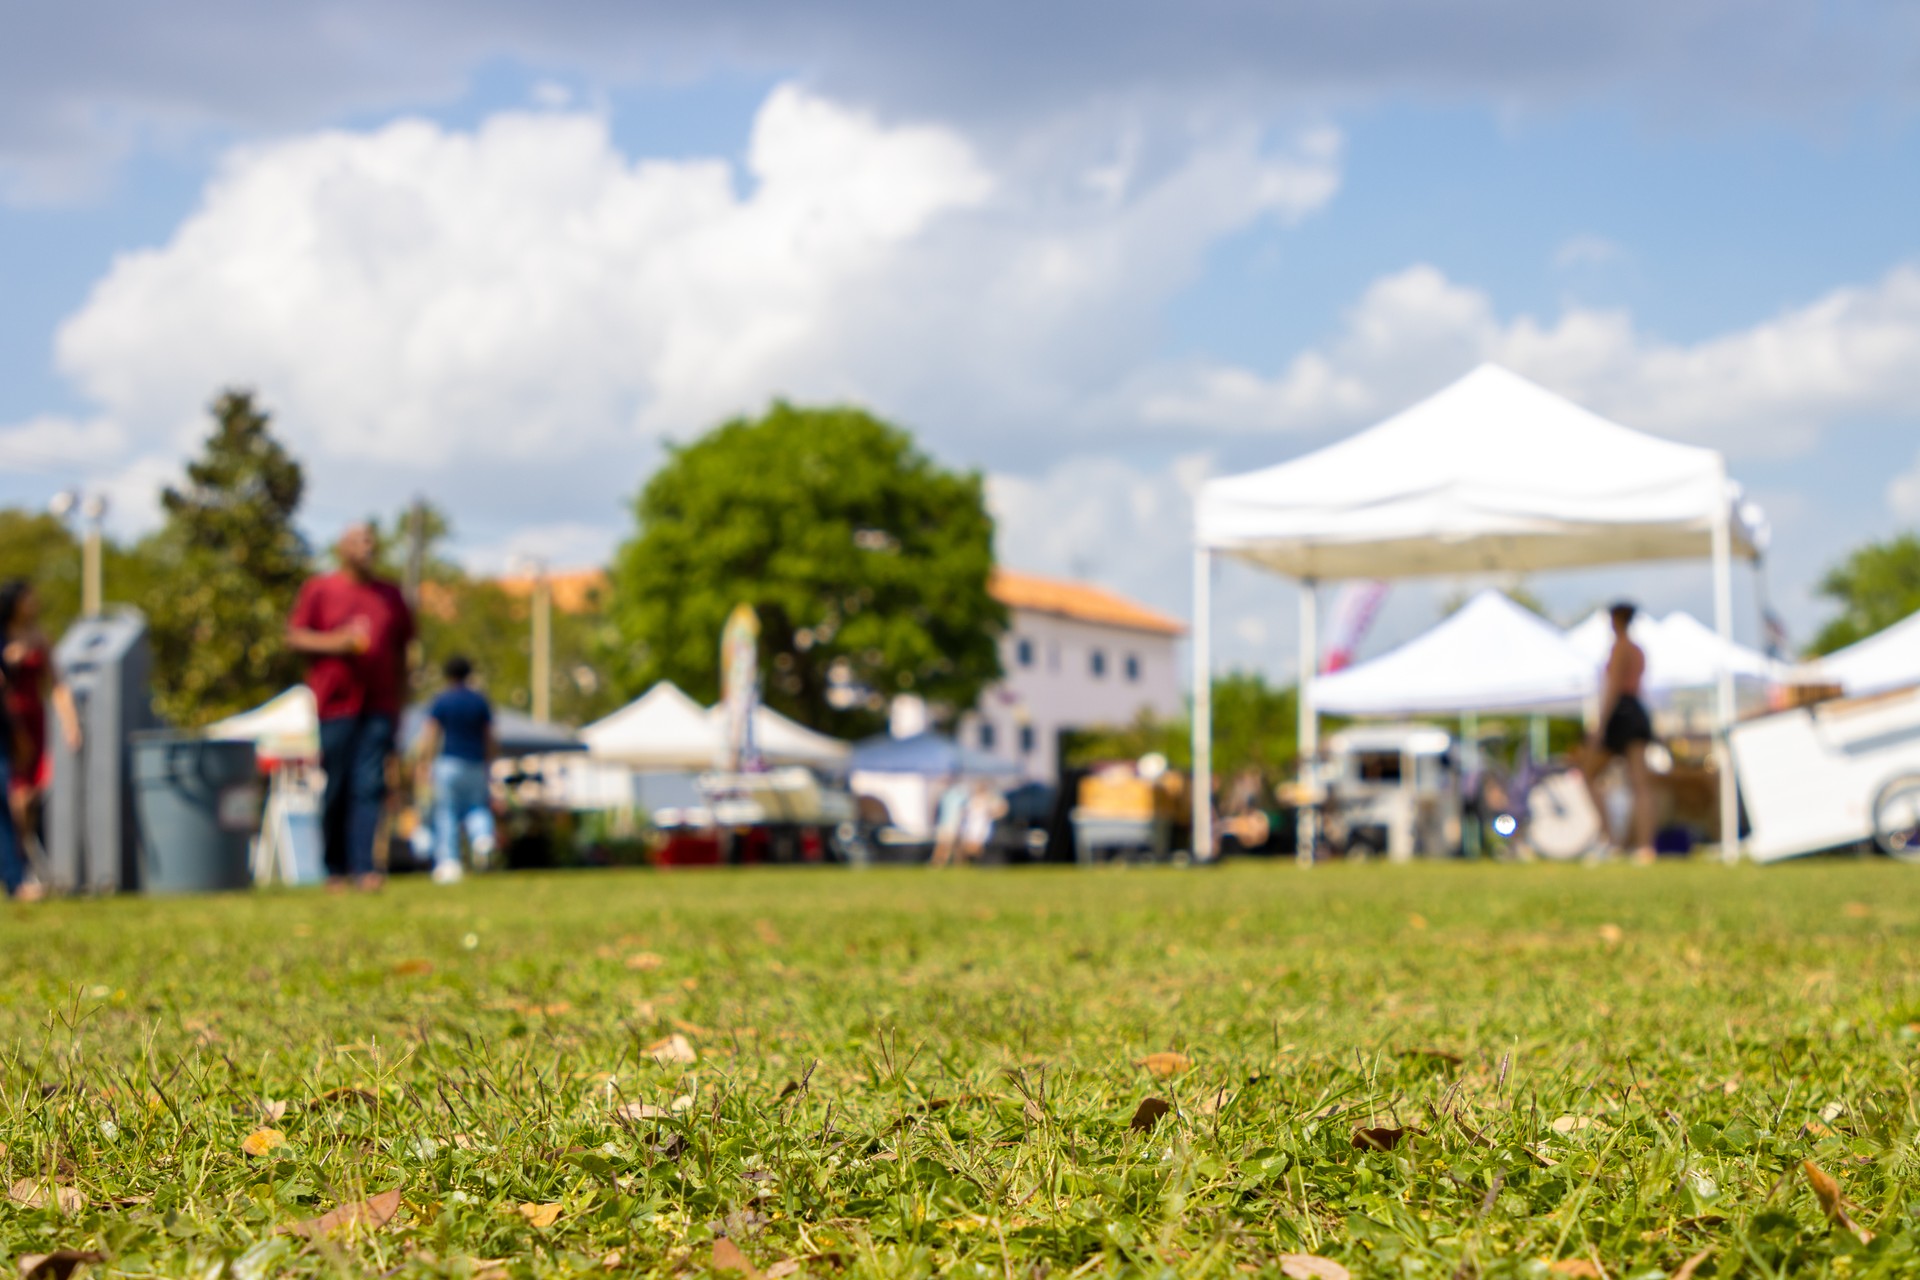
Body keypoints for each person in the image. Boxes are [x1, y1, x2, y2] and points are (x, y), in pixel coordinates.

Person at [287, 524, 413, 891]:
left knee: (370, 785)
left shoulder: (390, 595)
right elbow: (294, 636)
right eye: (359, 540)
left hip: (379, 705)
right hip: (335, 705)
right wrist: (336, 643)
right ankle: (334, 867)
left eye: (372, 540)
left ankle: (365, 867)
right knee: (337, 785)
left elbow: (404, 654)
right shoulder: (320, 589)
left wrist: (401, 706)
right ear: (341, 548)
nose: (367, 546)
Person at [0, 578, 81, 891]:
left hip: (36, 718)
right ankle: (18, 869)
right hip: (9, 718)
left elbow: (58, 684)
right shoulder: (3, 637)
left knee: (33, 792)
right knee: (14, 794)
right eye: (28, 599)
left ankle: (20, 863)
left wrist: (70, 723)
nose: (33, 604)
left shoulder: (39, 637)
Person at [414, 654, 496, 885]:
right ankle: (482, 837)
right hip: (476, 763)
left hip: (448, 763)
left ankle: (449, 862)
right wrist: (489, 762)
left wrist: (423, 761)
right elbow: (489, 736)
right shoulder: (480, 701)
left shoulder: (442, 700)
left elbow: (431, 733)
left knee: (446, 812)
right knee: (477, 806)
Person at [1585, 600, 1656, 862]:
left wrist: (1600, 727)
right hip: (1636, 712)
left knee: (1589, 773)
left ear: (1616, 621)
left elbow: (1613, 688)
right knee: (1640, 784)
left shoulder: (1620, 649)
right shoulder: (1638, 650)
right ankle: (1644, 847)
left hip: (1622, 713)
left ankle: (1611, 839)